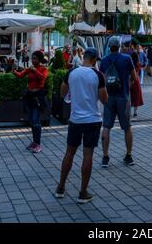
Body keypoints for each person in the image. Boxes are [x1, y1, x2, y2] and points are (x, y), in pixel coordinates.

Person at [55, 48, 108, 203]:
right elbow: (104, 99)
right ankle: (83, 192)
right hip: (92, 120)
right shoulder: (98, 75)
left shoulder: (71, 73)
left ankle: (61, 187)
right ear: (94, 60)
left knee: (69, 153)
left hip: (75, 119)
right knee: (88, 155)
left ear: (84, 57)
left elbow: (62, 93)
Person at [100, 36, 137, 168]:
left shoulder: (104, 61)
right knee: (127, 127)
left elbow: (102, 81)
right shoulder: (127, 59)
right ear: (120, 46)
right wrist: (128, 86)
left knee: (106, 127)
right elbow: (134, 77)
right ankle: (128, 155)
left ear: (109, 46)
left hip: (109, 97)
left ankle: (105, 157)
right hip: (123, 97)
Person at [13, 51, 49, 153]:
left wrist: (35, 71)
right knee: (32, 121)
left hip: (38, 98)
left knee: (35, 120)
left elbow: (43, 78)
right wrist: (15, 72)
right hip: (29, 97)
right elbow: (21, 75)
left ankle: (38, 144)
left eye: (35, 58)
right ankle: (34, 142)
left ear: (40, 59)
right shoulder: (30, 68)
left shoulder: (43, 69)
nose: (33, 60)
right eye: (32, 58)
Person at [130, 51, 144, 117]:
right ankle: (135, 112)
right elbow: (138, 72)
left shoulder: (129, 63)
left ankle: (129, 111)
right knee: (136, 96)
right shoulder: (138, 63)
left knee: (129, 96)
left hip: (129, 80)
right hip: (136, 80)